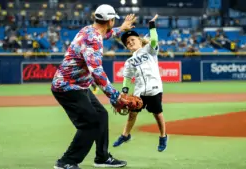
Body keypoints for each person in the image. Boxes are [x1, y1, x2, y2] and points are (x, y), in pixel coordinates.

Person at [51, 4, 137, 169]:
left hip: (79, 85)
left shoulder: (90, 30)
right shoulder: (92, 39)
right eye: (113, 20)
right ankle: (66, 162)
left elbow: (106, 34)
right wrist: (115, 96)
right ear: (110, 20)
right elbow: (97, 72)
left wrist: (122, 28)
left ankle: (102, 158)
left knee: (101, 115)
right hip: (67, 88)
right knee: (90, 123)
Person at [112, 14, 168, 152]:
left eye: (132, 39)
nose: (130, 42)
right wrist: (124, 91)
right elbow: (127, 77)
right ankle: (125, 135)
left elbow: (154, 40)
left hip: (154, 89)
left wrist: (152, 26)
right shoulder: (129, 61)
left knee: (157, 113)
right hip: (139, 91)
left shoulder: (149, 50)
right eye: (127, 42)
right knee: (132, 114)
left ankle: (163, 136)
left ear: (139, 40)